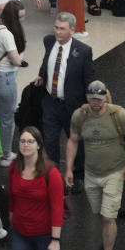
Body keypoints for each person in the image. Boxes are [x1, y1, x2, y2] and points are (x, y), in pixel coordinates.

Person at [64, 80, 125, 250]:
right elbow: (73, 140)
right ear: (87, 97)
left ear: (105, 97)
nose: (96, 103)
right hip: (91, 173)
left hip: (114, 172)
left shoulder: (118, 115)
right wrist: (68, 168)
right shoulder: (79, 115)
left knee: (108, 217)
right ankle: (106, 238)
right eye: (92, 99)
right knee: (99, 215)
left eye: (99, 99)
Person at [33, 12, 94, 171]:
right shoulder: (48, 41)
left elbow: (89, 80)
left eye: (62, 29)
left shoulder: (83, 51)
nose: (57, 32)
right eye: (56, 27)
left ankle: (78, 174)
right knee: (50, 140)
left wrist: (89, 105)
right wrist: (41, 75)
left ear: (72, 30)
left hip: (72, 106)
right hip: (50, 102)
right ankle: (53, 174)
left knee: (75, 141)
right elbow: (46, 62)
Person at [7, 127, 64, 250]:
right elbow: (12, 197)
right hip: (19, 232)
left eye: (30, 141)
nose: (25, 145)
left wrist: (55, 240)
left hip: (44, 235)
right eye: (22, 141)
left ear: (38, 145)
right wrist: (11, 219)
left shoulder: (51, 173)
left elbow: (57, 208)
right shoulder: (13, 167)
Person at [0, 1, 26, 167]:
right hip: (7, 79)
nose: (22, 21)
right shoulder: (7, 35)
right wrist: (23, 54)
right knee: (8, 118)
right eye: (20, 18)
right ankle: (6, 152)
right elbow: (16, 60)